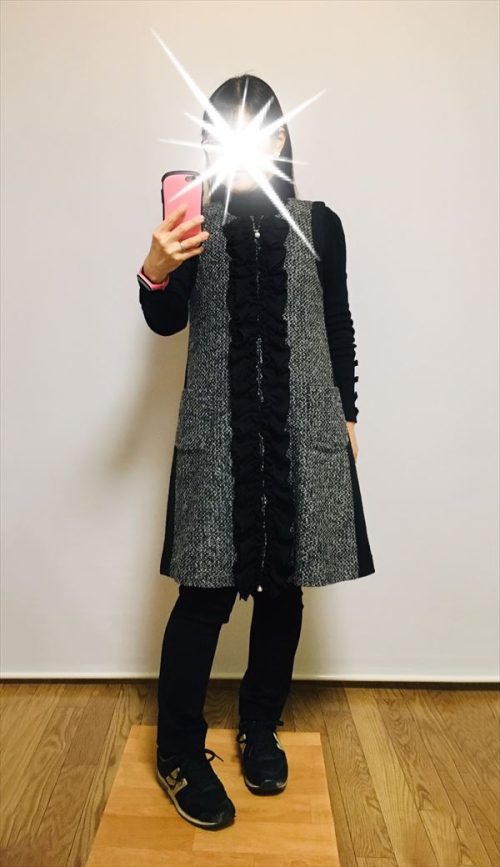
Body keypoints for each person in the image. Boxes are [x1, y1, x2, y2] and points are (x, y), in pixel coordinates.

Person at [137, 74, 375, 831]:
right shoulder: (193, 223)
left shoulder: (320, 224)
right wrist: (156, 269)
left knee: (284, 589)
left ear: (277, 138)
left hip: (301, 427)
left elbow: (337, 321)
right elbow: (165, 320)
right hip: (218, 434)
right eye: (219, 133)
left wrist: (347, 412)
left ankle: (259, 727)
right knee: (204, 594)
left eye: (249, 131)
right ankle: (179, 750)